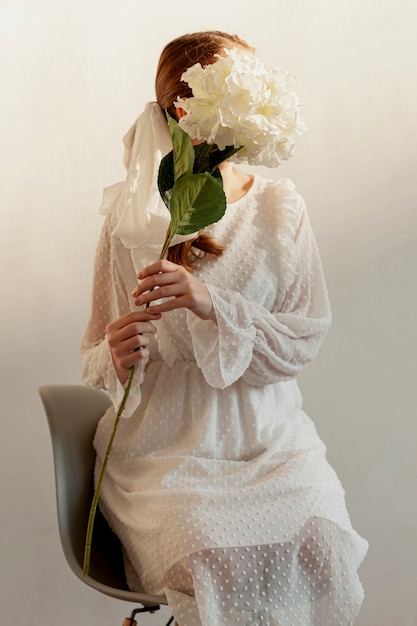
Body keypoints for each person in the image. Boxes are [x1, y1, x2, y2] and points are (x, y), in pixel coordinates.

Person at [82, 30, 368, 626]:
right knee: (209, 548)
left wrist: (212, 303)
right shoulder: (132, 218)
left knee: (325, 540)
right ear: (185, 110)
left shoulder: (282, 210)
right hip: (168, 451)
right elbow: (94, 351)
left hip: (269, 442)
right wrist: (114, 351)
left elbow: (303, 336)